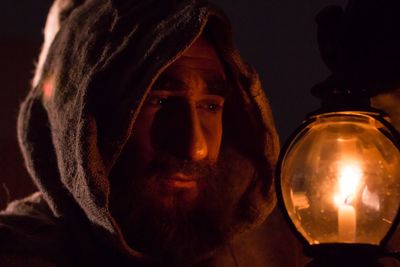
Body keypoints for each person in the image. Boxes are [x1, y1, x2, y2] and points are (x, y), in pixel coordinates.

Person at [0, 0, 302, 266]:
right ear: (80, 121)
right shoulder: (19, 253)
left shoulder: (275, 252)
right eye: (158, 101)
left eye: (210, 106)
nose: (194, 147)